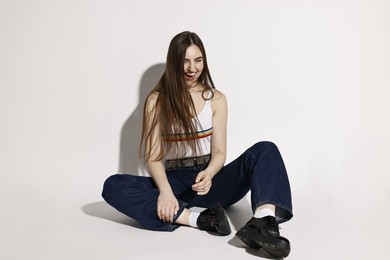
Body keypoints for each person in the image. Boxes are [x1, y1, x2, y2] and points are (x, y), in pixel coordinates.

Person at [102, 31, 293, 258]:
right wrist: (164, 192)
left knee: (265, 149)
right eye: (185, 61)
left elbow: (220, 152)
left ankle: (261, 222)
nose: (192, 68)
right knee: (113, 185)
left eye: (198, 60)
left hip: (212, 182)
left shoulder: (216, 98)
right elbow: (153, 156)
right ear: (174, 62)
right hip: (176, 185)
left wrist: (210, 173)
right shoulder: (157, 100)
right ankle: (198, 219)